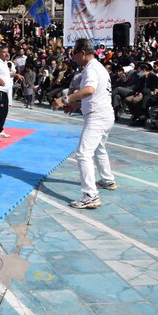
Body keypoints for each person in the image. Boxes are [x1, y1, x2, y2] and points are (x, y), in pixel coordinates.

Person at [52, 38, 116, 209]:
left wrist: (65, 100)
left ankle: (90, 195)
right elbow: (96, 95)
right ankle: (108, 179)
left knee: (83, 154)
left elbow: (89, 90)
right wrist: (76, 105)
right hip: (105, 114)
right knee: (99, 149)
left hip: (97, 117)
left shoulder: (91, 69)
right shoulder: (99, 67)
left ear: (82, 53)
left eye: (74, 54)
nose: (73, 58)